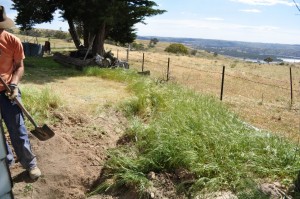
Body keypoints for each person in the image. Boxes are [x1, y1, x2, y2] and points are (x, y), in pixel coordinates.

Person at [0, 5, 41, 180]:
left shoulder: (11, 41)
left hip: (8, 92)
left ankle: (29, 163)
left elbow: (19, 66)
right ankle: (6, 162)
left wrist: (14, 85)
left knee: (18, 128)